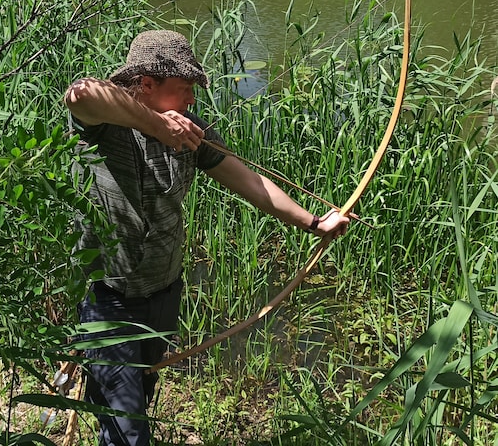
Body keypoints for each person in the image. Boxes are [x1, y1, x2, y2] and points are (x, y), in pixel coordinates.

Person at [64, 30, 350, 446]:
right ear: (147, 84)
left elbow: (250, 182)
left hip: (164, 290)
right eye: (183, 90)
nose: (191, 101)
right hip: (110, 295)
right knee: (126, 428)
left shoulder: (190, 131)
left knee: (136, 397)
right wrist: (157, 125)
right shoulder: (103, 125)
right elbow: (81, 94)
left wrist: (313, 223)